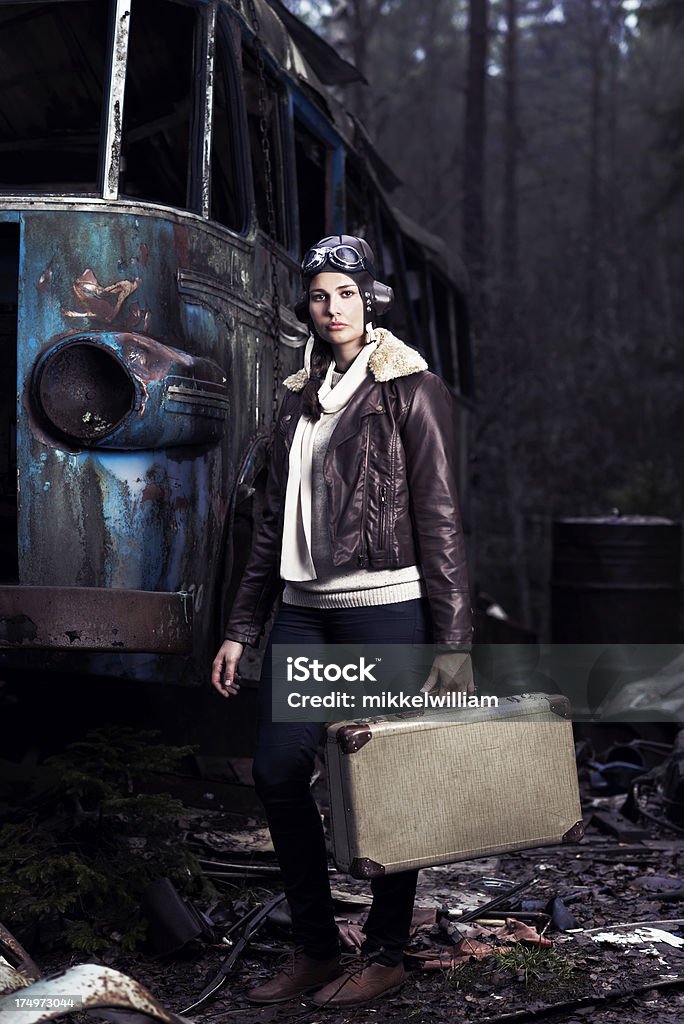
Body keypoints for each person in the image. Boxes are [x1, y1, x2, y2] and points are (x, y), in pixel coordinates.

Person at [212, 234, 473, 1007]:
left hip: (384, 612)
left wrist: (453, 644)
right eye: (321, 296)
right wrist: (240, 627)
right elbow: (269, 526)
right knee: (278, 771)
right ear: (309, 308)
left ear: (371, 302)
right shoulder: (297, 398)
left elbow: (445, 522)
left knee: (383, 787)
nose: (334, 310)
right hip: (304, 616)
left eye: (348, 295)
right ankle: (319, 950)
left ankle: (387, 953)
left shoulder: (412, 390)